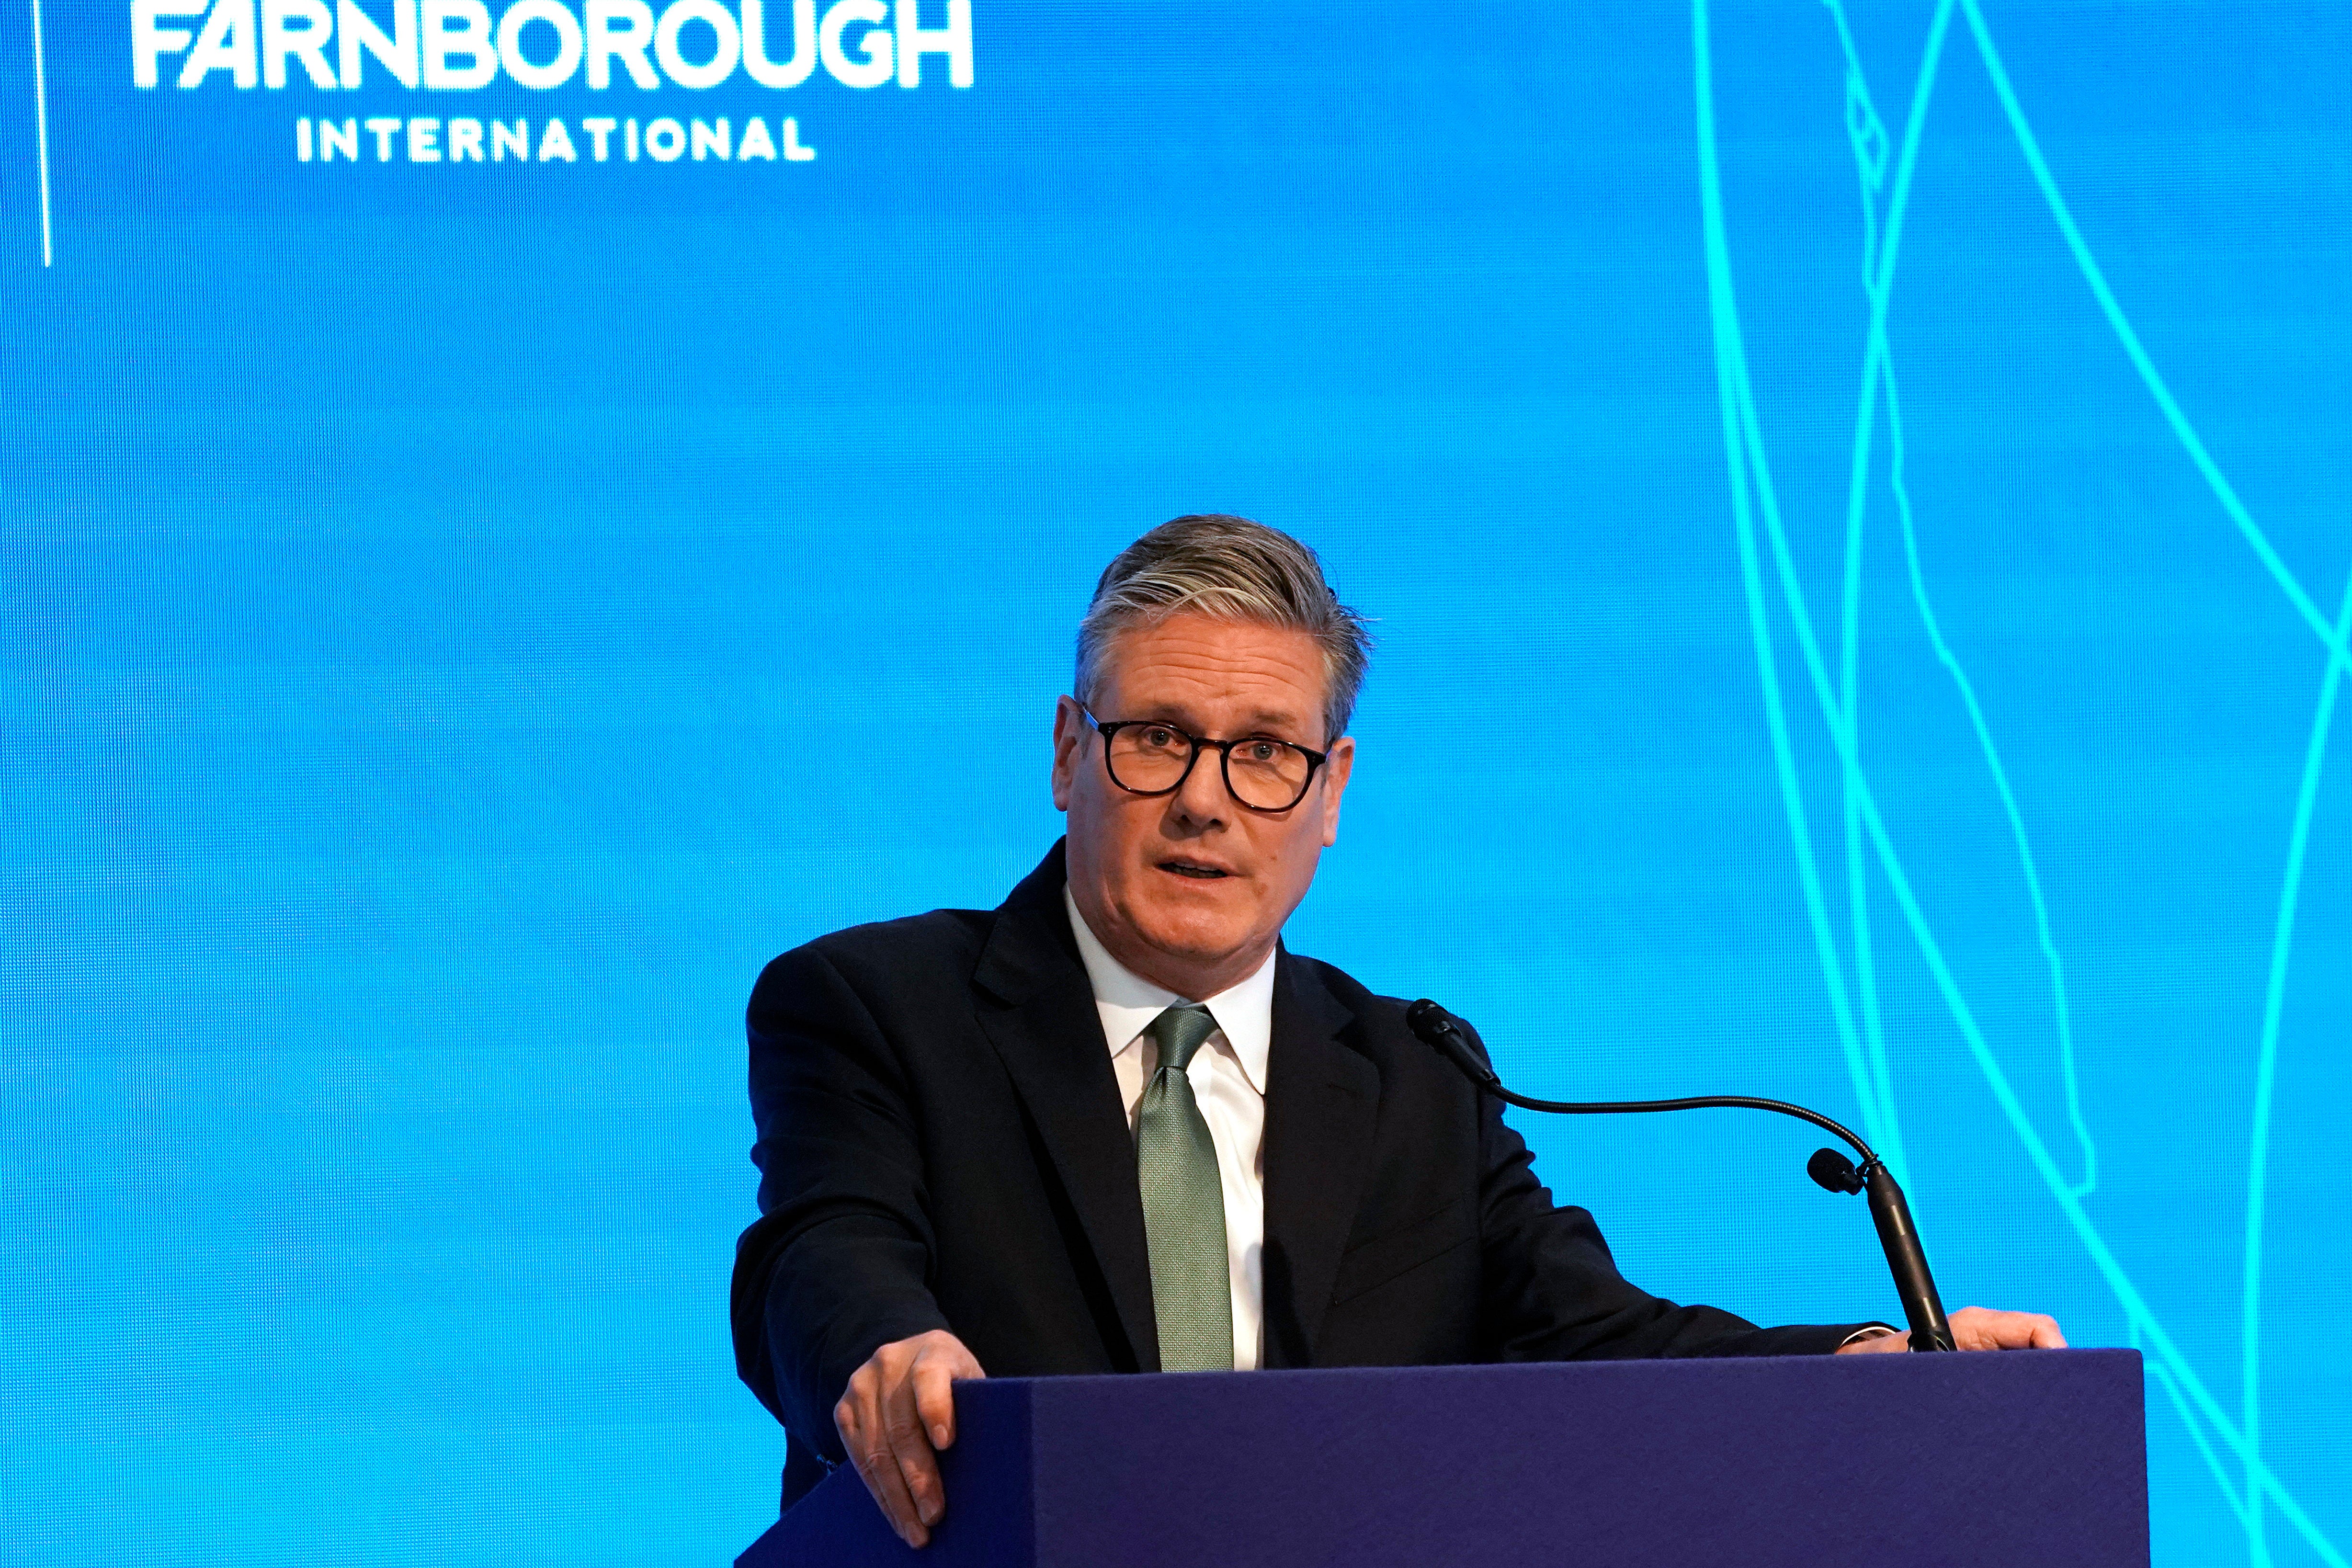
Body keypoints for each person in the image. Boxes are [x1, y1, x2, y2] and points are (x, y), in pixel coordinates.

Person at [730, 514, 2065, 1547]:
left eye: (1265, 752)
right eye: (1156, 739)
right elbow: (822, 1244)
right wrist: (882, 1344)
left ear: (1331, 792)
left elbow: (1587, 1334)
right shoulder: (875, 1004)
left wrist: (1868, 1366)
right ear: (1070, 750)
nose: (1206, 801)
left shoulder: (1412, 1074)